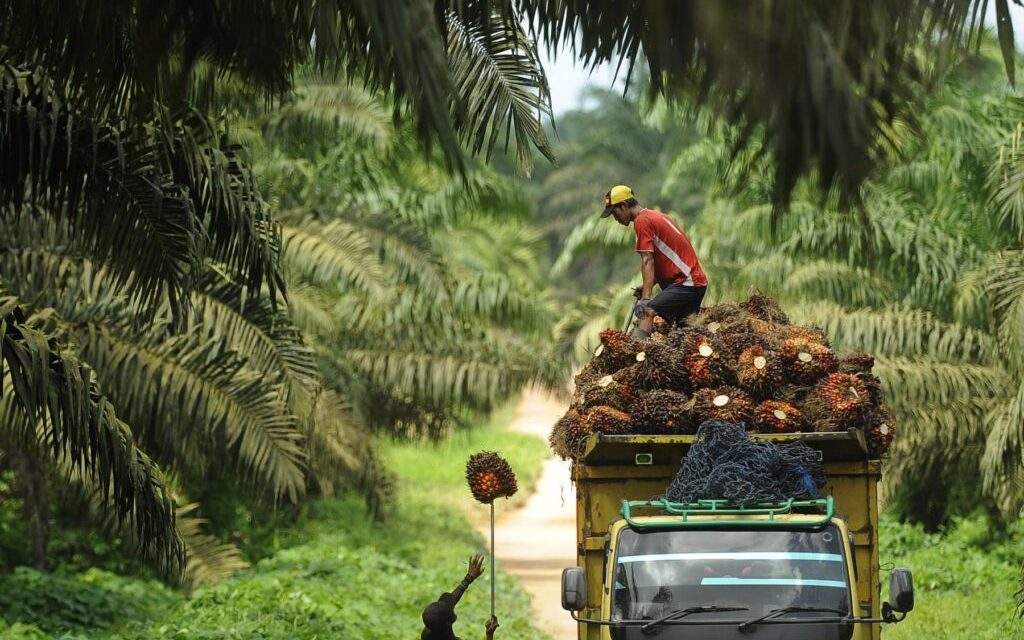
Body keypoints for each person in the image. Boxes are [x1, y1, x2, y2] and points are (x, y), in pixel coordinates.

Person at [600, 185, 708, 335]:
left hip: (687, 283)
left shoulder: (642, 221)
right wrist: (646, 287)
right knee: (685, 335)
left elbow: (647, 260)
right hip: (695, 282)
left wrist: (645, 298)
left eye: (614, 213)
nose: (615, 218)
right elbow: (667, 260)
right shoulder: (656, 215)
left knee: (647, 312)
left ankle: (637, 354)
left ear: (624, 205)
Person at [422, 553, 499, 640]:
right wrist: (489, 635)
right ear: (450, 620)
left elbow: (451, 600)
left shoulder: (428, 633)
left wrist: (469, 578)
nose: (452, 603)